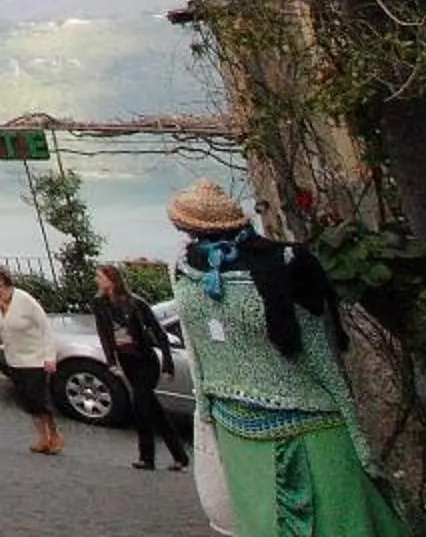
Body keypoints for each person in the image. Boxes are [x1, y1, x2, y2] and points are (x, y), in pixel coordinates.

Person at [166, 179, 406, 536]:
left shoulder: (285, 263)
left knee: (340, 521)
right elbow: (197, 348)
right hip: (241, 428)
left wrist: (355, 434)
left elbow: (321, 352)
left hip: (302, 425)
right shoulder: (186, 270)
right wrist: (206, 414)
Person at [92, 262, 190, 472]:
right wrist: (111, 362)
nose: (97, 281)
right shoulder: (100, 304)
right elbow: (104, 334)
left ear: (112, 280)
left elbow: (159, 332)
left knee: (140, 406)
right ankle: (180, 456)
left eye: (100, 277)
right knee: (153, 410)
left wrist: (168, 363)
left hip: (145, 360)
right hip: (127, 360)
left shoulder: (135, 303)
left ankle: (147, 457)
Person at [0, 263, 64, 454]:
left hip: (35, 358)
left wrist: (50, 357)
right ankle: (42, 438)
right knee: (27, 400)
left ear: (1, 278)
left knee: (39, 399)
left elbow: (45, 328)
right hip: (14, 358)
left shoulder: (24, 300)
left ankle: (55, 435)